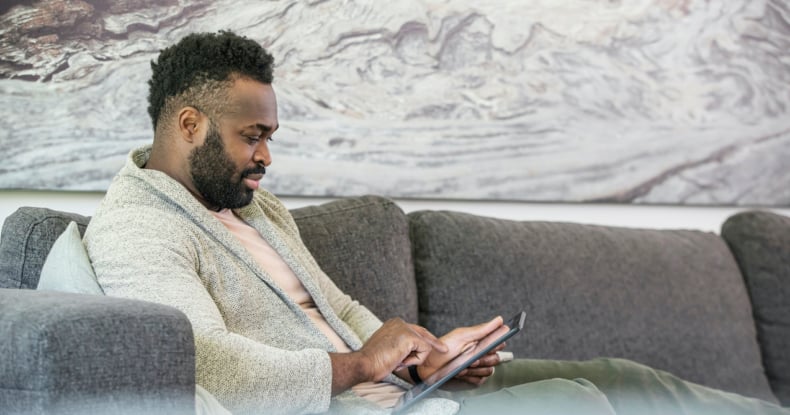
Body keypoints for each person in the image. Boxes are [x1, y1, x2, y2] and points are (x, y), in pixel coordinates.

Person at [83, 31, 789, 415]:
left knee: (623, 375)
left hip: (402, 386)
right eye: (253, 135)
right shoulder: (137, 229)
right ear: (188, 123)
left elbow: (339, 308)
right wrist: (364, 363)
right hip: (355, 407)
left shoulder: (252, 206)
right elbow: (204, 363)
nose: (267, 155)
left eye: (271, 135)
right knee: (579, 401)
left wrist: (419, 352)